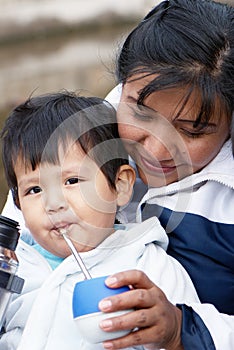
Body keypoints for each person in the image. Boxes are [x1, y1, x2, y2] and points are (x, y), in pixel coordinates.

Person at [0, 91, 199, 350]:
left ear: (120, 185)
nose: (53, 204)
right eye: (34, 190)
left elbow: (184, 338)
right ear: (18, 204)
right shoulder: (14, 268)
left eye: (72, 181)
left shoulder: (148, 268)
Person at [96, 0, 234, 349]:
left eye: (192, 131)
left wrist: (181, 331)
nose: (156, 152)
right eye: (141, 115)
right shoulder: (76, 146)